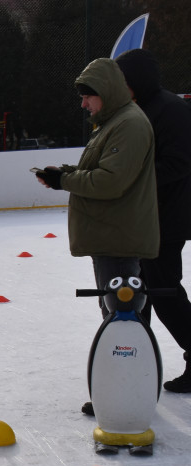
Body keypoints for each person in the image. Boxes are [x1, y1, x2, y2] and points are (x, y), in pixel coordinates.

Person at [34, 57, 158, 416]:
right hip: (110, 235)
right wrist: (66, 173)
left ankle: (123, 393)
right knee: (118, 316)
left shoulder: (129, 124)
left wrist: (65, 181)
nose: (83, 103)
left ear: (107, 92)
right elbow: (98, 170)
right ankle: (125, 388)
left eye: (88, 96)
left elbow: (111, 181)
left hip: (118, 237)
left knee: (122, 320)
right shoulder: (112, 123)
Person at [116, 49, 191, 393]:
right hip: (145, 218)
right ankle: (137, 365)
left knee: (164, 293)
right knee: (136, 293)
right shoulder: (140, 109)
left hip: (166, 220)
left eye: (125, 81)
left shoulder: (172, 110)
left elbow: (178, 164)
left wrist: (133, 178)